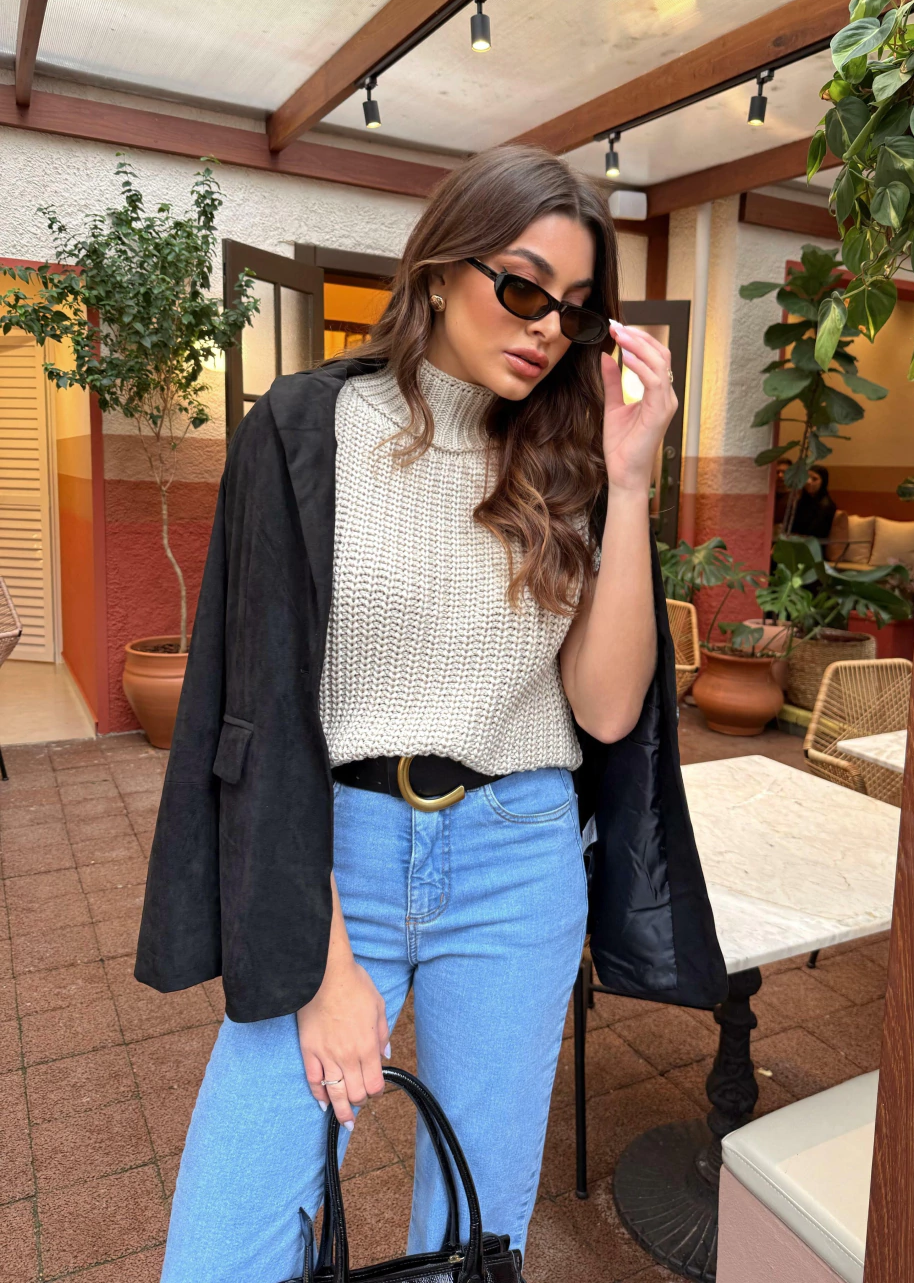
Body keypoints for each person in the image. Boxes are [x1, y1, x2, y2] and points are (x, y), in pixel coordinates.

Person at [135, 145, 726, 1282]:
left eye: (573, 308)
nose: (545, 327)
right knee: (227, 1245)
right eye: (522, 287)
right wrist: (324, 965)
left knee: (471, 1237)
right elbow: (262, 713)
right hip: (335, 859)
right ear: (443, 268)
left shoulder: (569, 458)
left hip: (518, 860)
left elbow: (607, 713)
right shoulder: (306, 427)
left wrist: (631, 478)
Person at [790, 463, 837, 539]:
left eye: (814, 479)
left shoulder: (826, 506)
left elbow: (815, 533)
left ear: (823, 482)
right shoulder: (802, 501)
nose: (808, 481)